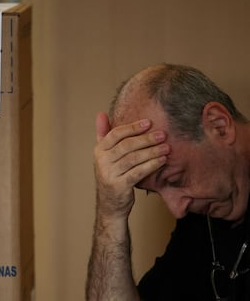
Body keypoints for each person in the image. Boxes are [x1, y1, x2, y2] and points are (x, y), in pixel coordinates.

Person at [85, 63, 250, 301]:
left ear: (219, 126)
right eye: (154, 192)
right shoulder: (201, 216)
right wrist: (110, 214)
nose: (176, 210)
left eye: (175, 179)